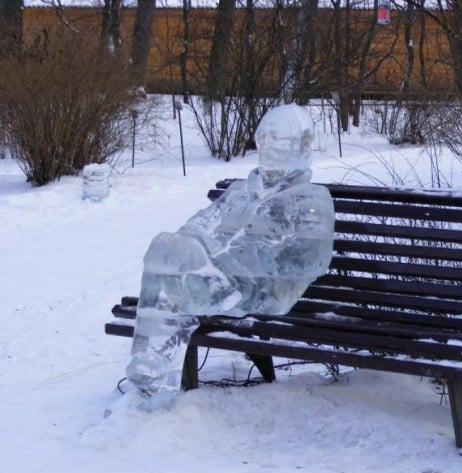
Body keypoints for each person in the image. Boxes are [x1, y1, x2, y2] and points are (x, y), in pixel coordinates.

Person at [126, 104, 335, 397]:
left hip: (263, 294)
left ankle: (155, 364)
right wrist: (201, 251)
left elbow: (309, 262)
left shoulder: (311, 199)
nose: (269, 148)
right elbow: (197, 225)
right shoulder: (240, 191)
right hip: (221, 283)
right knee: (165, 245)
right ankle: (150, 364)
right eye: (265, 139)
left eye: (279, 140)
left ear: (302, 146)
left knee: (175, 266)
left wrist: (226, 259)